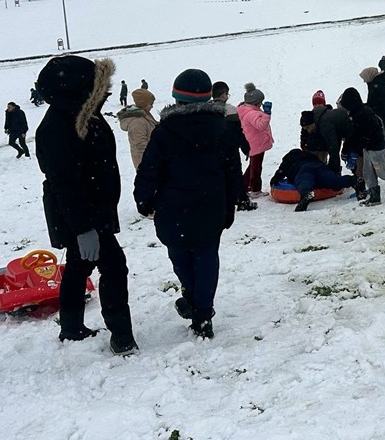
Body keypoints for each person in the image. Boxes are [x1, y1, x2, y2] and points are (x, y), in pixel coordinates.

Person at [34, 55, 137, 356]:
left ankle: (71, 327)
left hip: (92, 211)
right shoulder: (57, 127)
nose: (105, 92)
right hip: (81, 215)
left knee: (79, 267)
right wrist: (83, 228)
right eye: (99, 87)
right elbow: (63, 182)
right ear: (79, 90)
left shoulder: (85, 114)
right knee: (115, 267)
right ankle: (122, 336)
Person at [134, 69, 242, 340]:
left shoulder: (164, 132)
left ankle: (195, 302)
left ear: (176, 97)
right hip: (212, 205)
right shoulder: (223, 128)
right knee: (207, 256)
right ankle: (202, 311)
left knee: (180, 255)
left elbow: (149, 170)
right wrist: (232, 202)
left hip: (174, 208)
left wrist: (143, 198)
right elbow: (232, 170)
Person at [337, 86, 385, 206]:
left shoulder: (364, 113)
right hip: (368, 148)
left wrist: (356, 145)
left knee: (381, 173)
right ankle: (375, 196)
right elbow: (353, 134)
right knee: (368, 173)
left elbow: (361, 133)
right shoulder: (356, 113)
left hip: (377, 149)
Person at [270, 147, 356, 212]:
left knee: (304, 181)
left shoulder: (288, 160)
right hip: (319, 167)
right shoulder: (309, 155)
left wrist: (275, 180)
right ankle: (353, 180)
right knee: (333, 181)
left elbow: (279, 174)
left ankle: (306, 194)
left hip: (303, 169)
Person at [213, 81, 256, 211]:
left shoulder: (207, 108)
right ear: (223, 95)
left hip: (213, 149)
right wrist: (246, 148)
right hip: (230, 149)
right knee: (235, 174)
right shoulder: (230, 110)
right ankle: (242, 201)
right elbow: (237, 132)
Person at [237, 83, 273, 198]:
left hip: (253, 143)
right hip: (256, 144)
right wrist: (267, 114)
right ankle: (255, 189)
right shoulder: (251, 114)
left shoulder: (244, 110)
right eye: (260, 102)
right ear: (255, 103)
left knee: (252, 166)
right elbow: (261, 126)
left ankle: (244, 186)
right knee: (256, 168)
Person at [361, 57, 385, 150]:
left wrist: (362, 107)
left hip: (382, 116)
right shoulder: (380, 83)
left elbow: (374, 103)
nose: (364, 81)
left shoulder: (376, 86)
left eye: (365, 78)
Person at [117, 88, 158, 169]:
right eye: (151, 103)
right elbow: (139, 145)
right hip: (145, 162)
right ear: (144, 104)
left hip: (151, 159)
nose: (152, 106)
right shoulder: (137, 122)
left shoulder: (145, 114)